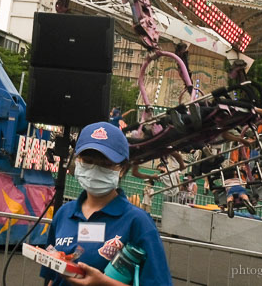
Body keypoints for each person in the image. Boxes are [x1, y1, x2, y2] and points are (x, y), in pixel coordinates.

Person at [40, 121, 171, 285]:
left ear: (122, 168)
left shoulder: (138, 221)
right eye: (88, 160)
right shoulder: (64, 214)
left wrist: (104, 283)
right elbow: (53, 277)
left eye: (106, 164)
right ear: (77, 160)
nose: (95, 169)